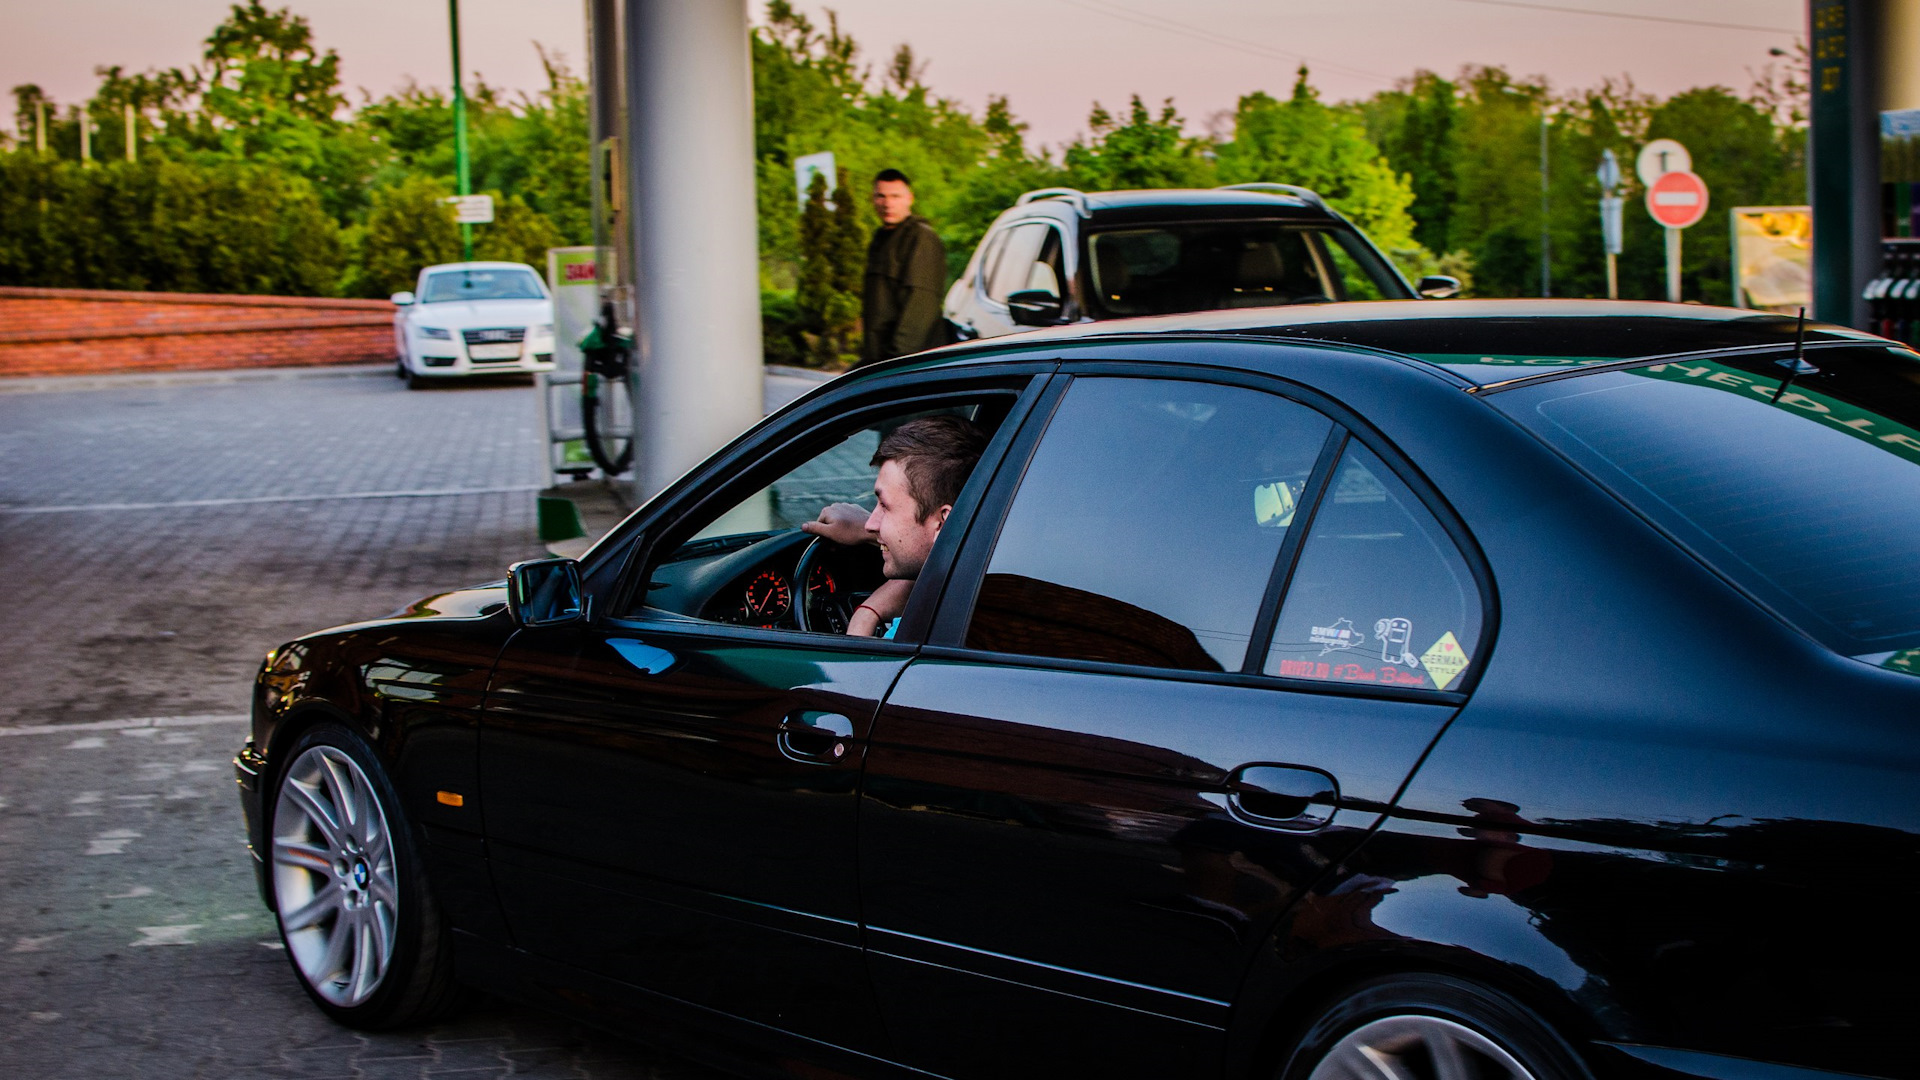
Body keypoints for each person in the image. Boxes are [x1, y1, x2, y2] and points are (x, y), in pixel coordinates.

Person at [800, 415, 987, 636]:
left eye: (885, 506)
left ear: (943, 522)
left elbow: (860, 670)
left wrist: (866, 614)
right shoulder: (988, 578)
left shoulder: (925, 629)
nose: (870, 523)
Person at [860, 169, 948, 365]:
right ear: (873, 199)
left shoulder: (921, 238)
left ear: (909, 198)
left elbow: (920, 306)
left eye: (895, 196)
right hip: (877, 358)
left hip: (907, 363)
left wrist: (896, 363)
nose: (887, 203)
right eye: (881, 196)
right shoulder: (881, 238)